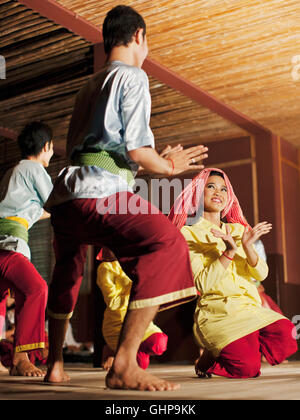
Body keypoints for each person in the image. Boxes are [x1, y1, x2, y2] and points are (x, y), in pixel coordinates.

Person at [44, 5, 208, 391]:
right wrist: (168, 166)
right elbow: (136, 151)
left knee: (68, 269)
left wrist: (150, 159)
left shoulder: (89, 85)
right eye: (147, 42)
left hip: (67, 197)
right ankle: (123, 364)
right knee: (167, 243)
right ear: (139, 36)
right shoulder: (133, 76)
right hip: (101, 193)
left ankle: (54, 364)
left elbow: (82, 148)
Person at [168, 168, 298, 379]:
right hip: (217, 314)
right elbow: (201, 284)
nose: (218, 192)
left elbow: (262, 274)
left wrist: (247, 247)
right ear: (197, 194)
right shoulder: (187, 233)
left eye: (223, 189)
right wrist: (229, 252)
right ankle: (209, 358)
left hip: (249, 309)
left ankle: (233, 345)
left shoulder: (238, 230)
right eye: (210, 187)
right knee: (247, 369)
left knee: (288, 336)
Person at [0, 121, 54, 376]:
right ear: (47, 147)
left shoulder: (13, 173)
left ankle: (15, 357)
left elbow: (30, 211)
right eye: (51, 149)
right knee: (36, 289)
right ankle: (21, 359)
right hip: (8, 245)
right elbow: (56, 203)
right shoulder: (34, 169)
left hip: (5, 241)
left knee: (6, 299)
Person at [97, 247, 168, 371]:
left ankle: (117, 351)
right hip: (118, 324)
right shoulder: (105, 268)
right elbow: (113, 302)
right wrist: (136, 291)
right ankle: (114, 349)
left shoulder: (133, 261)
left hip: (139, 319)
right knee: (140, 365)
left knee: (159, 344)